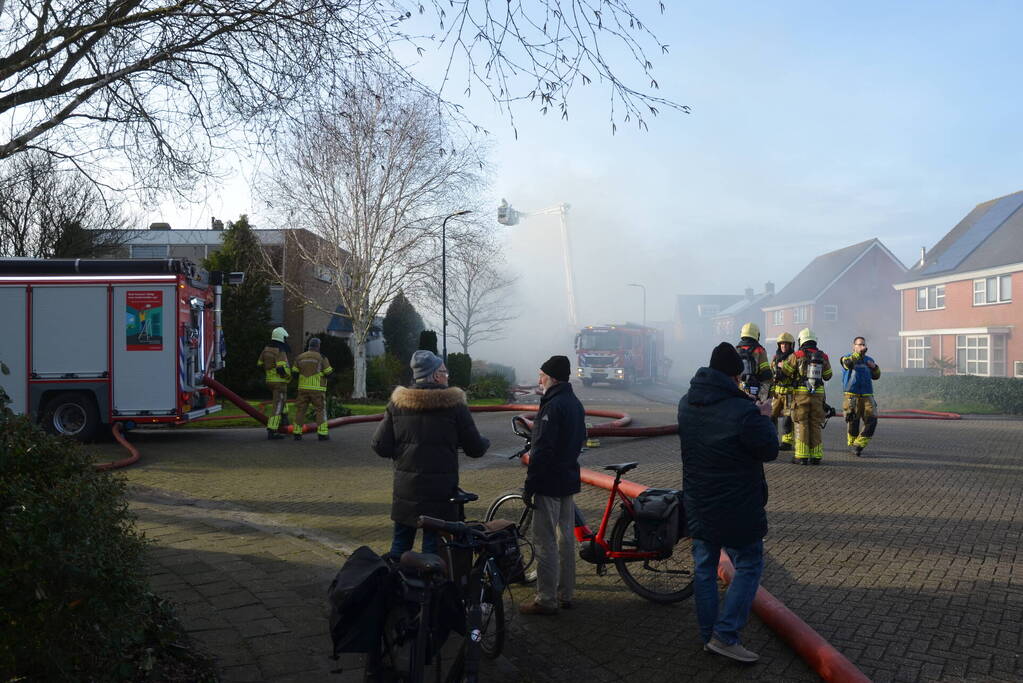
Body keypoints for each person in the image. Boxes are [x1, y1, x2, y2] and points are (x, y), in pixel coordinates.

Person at [677, 342, 778, 663]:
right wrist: (762, 416)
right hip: (736, 505)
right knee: (749, 563)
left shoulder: (686, 402)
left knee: (704, 567)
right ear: (735, 375)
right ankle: (725, 635)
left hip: (698, 500)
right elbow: (769, 450)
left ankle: (709, 636)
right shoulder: (744, 411)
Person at [371, 350, 490, 555]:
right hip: (440, 495)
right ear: (435, 375)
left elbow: (380, 445)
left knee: (399, 547)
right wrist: (485, 442)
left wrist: (403, 452)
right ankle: (431, 586)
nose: (447, 375)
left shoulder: (397, 404)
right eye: (444, 371)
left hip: (406, 493)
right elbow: (475, 449)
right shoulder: (454, 405)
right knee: (433, 549)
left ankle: (396, 585)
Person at [519, 355, 586, 616]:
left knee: (545, 541)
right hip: (569, 480)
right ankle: (566, 593)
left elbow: (543, 450)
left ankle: (546, 599)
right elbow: (581, 438)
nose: (539, 379)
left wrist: (530, 484)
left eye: (541, 375)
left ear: (552, 377)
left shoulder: (553, 405)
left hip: (549, 483)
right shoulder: (575, 403)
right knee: (566, 539)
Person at [780, 329, 833, 465]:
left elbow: (786, 371)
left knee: (801, 422)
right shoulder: (823, 356)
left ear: (800, 341)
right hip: (818, 394)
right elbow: (828, 375)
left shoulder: (797, 355)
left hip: (801, 394)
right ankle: (816, 456)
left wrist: (782, 365)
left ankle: (801, 456)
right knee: (815, 423)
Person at [840, 336, 881, 457]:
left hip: (867, 395)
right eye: (859, 344)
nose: (862, 347)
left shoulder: (869, 360)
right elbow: (848, 364)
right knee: (853, 421)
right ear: (854, 346)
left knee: (872, 420)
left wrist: (874, 367)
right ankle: (852, 444)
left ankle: (858, 445)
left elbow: (876, 375)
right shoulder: (846, 357)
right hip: (851, 395)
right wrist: (858, 355)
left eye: (863, 344)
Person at [291, 337, 333, 441]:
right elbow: (328, 372)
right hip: (317, 388)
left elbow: (295, 372)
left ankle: (297, 433)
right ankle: (322, 434)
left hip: (302, 388)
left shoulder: (299, 357)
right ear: (318, 346)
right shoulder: (321, 357)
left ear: (309, 346)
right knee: (320, 410)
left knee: (300, 410)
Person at [258, 326, 292, 440]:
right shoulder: (280, 350)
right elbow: (281, 368)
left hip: (270, 381)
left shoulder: (266, 349)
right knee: (277, 406)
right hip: (279, 382)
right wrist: (288, 376)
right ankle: (272, 430)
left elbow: (259, 363)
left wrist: (269, 371)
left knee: (282, 400)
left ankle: (285, 418)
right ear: (281, 337)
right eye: (285, 338)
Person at [770, 332, 797, 450]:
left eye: (786, 344)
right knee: (771, 415)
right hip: (776, 391)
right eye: (781, 344)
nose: (783, 347)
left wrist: (783, 366)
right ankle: (771, 438)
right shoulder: (776, 357)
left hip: (789, 392)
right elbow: (771, 371)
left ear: (791, 346)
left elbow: (793, 372)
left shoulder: (793, 357)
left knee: (787, 417)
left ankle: (787, 442)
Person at [736, 322, 773, 402]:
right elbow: (766, 374)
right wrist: (763, 396)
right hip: (754, 389)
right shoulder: (760, 350)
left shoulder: (736, 350)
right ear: (757, 334)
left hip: (740, 388)